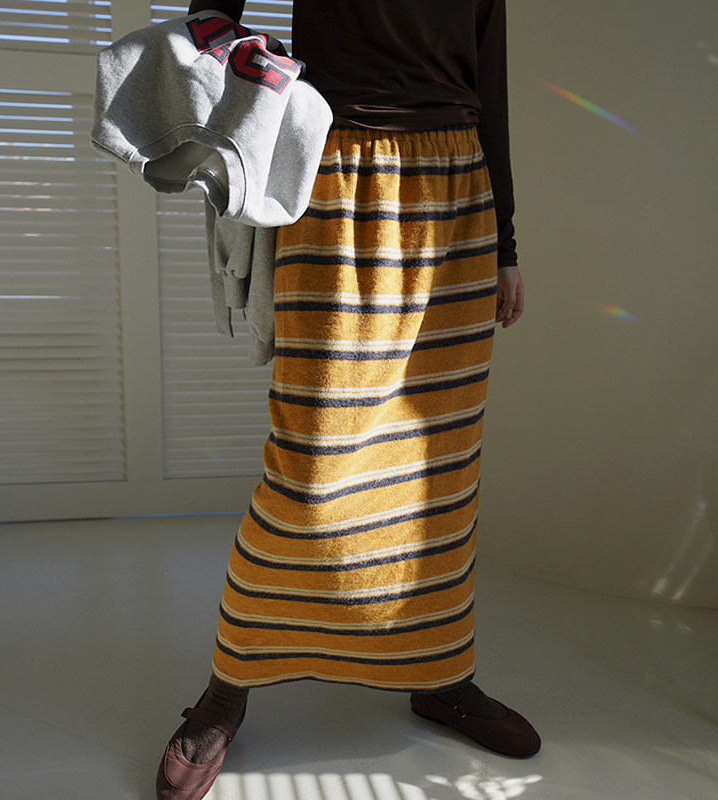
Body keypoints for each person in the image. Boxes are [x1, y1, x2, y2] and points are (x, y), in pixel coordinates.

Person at [157, 2, 536, 797]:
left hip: (458, 189)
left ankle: (439, 674)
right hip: (340, 172)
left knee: (441, 467)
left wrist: (504, 242)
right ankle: (230, 684)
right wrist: (248, 65)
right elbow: (210, 15)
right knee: (312, 461)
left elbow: (490, 87)